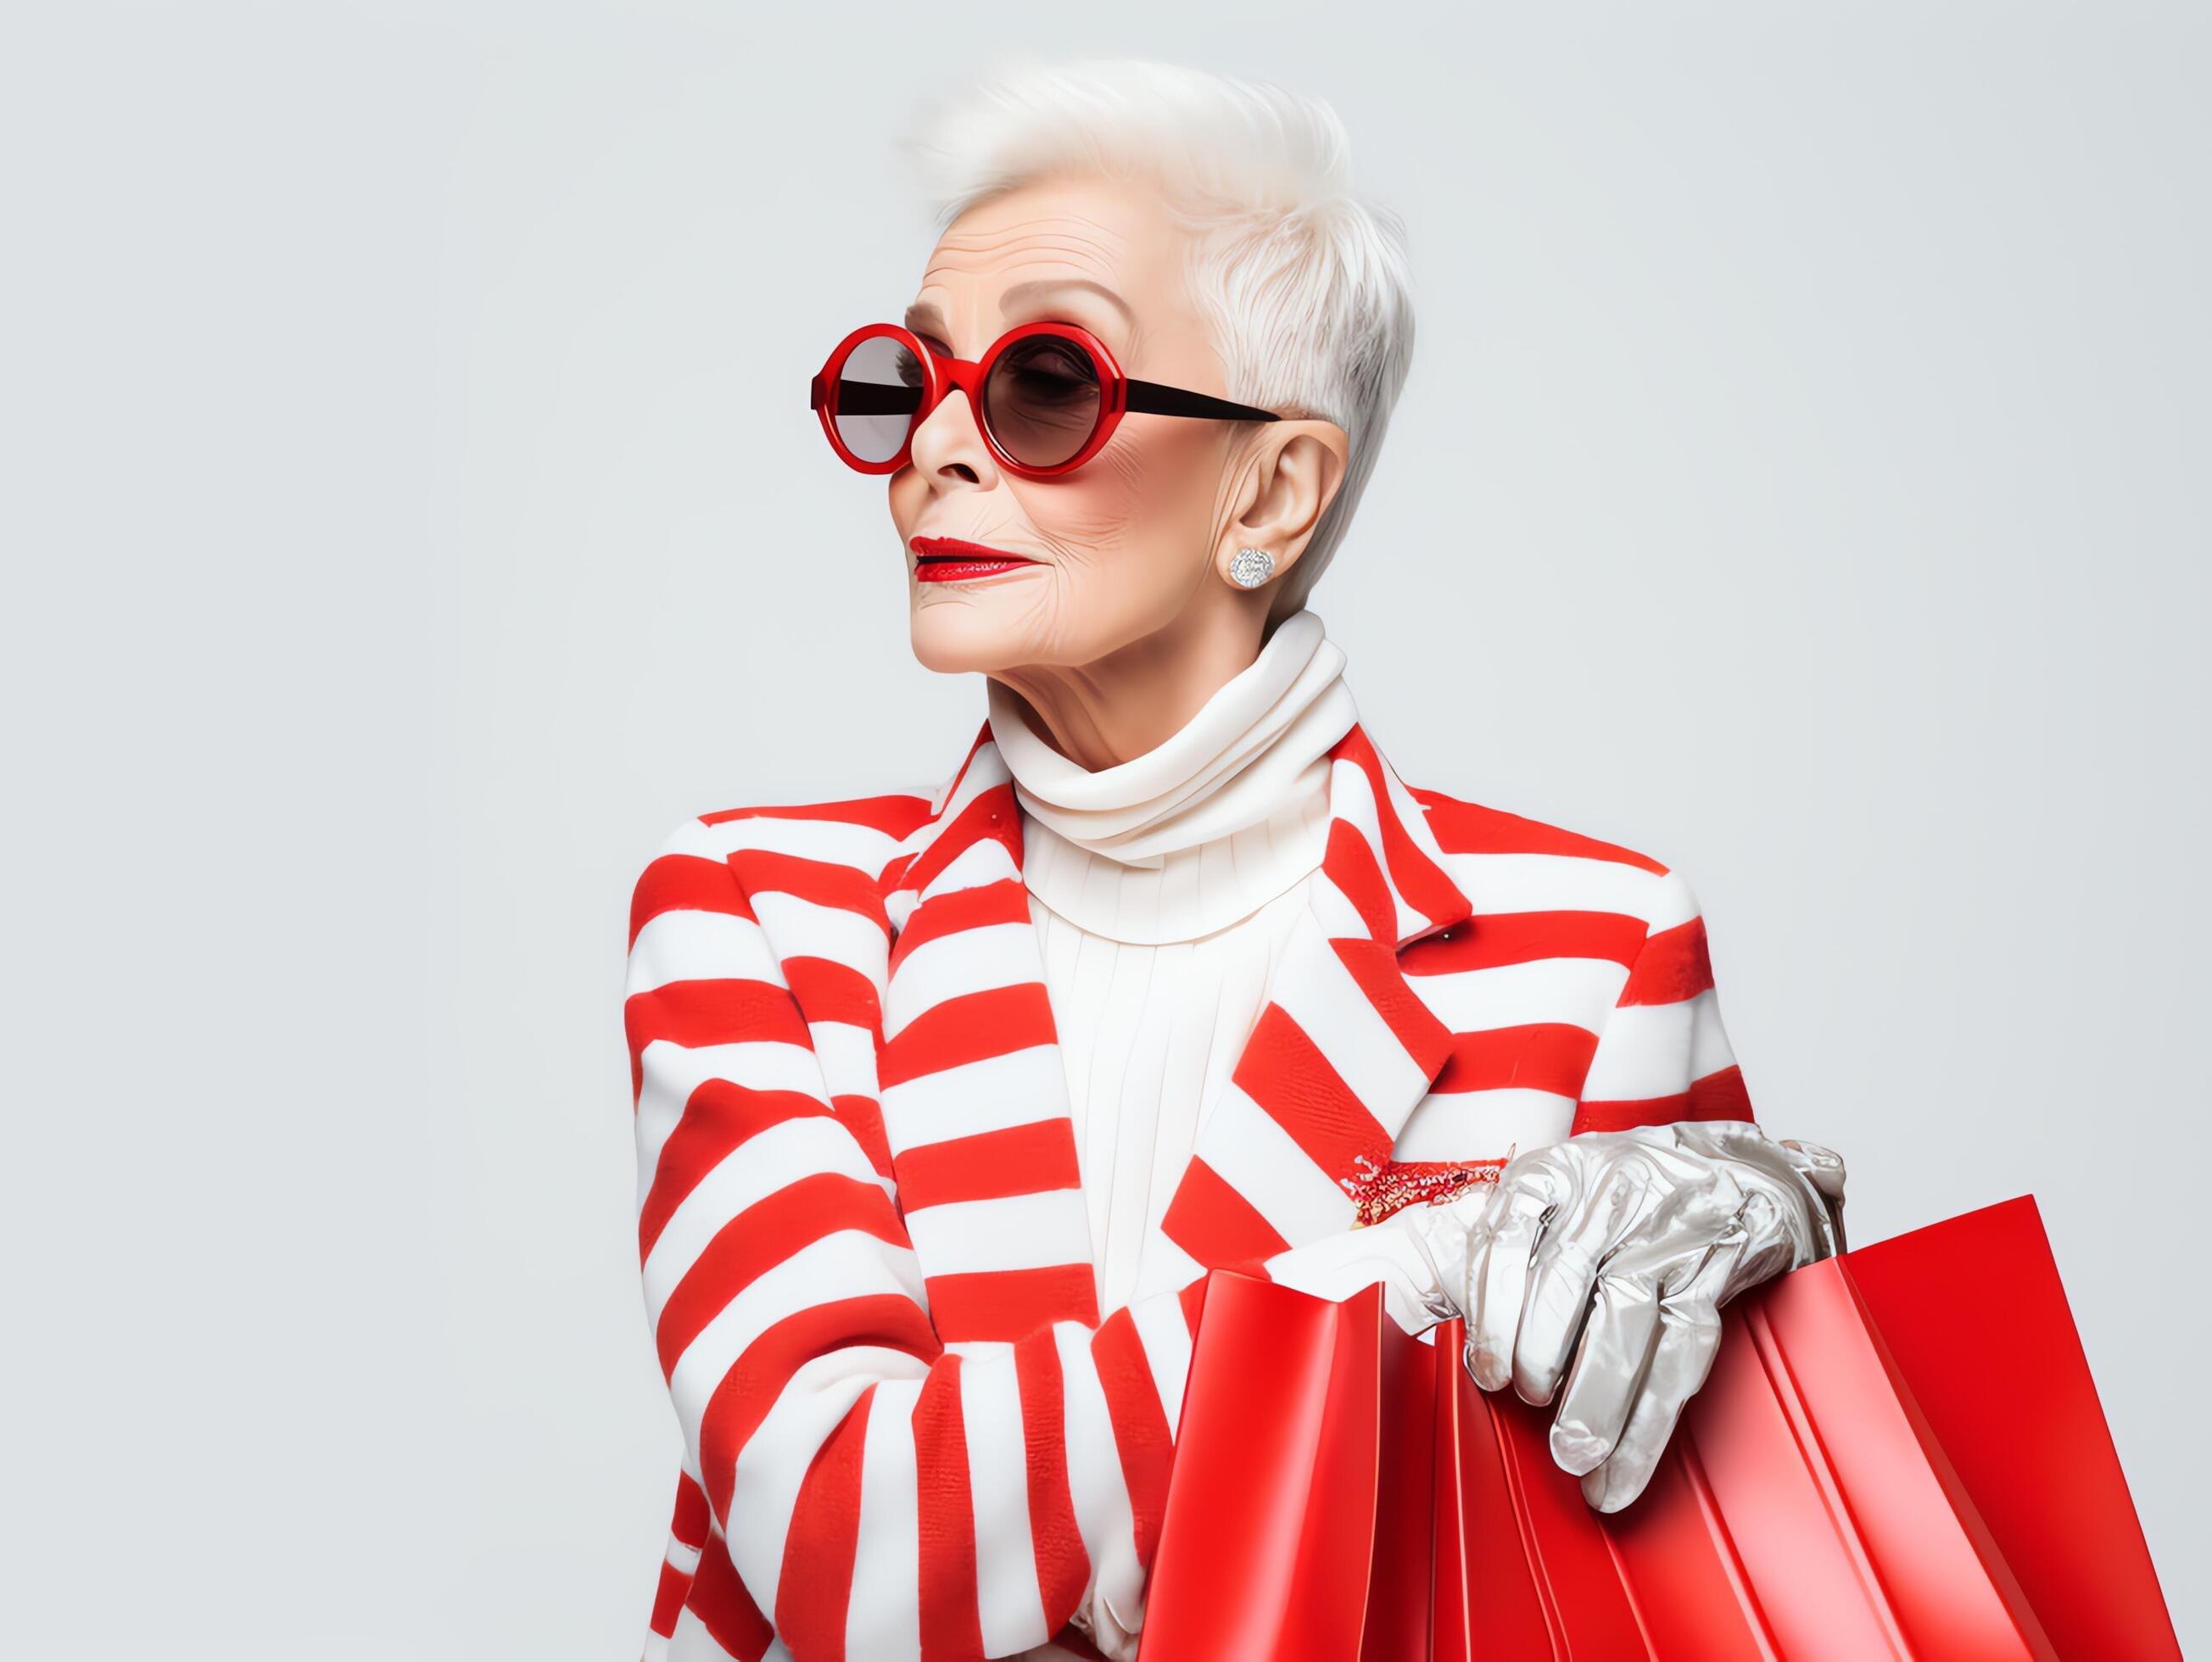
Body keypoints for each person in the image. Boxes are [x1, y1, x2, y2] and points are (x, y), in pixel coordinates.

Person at [623, 58, 1845, 1662]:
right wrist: (1426, 1262)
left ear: (1270, 488)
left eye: (1045, 385)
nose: (933, 447)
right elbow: (855, 1551)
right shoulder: (757, 918)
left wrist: (1783, 1249)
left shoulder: (1596, 946)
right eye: (900, 384)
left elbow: (1633, 1569)